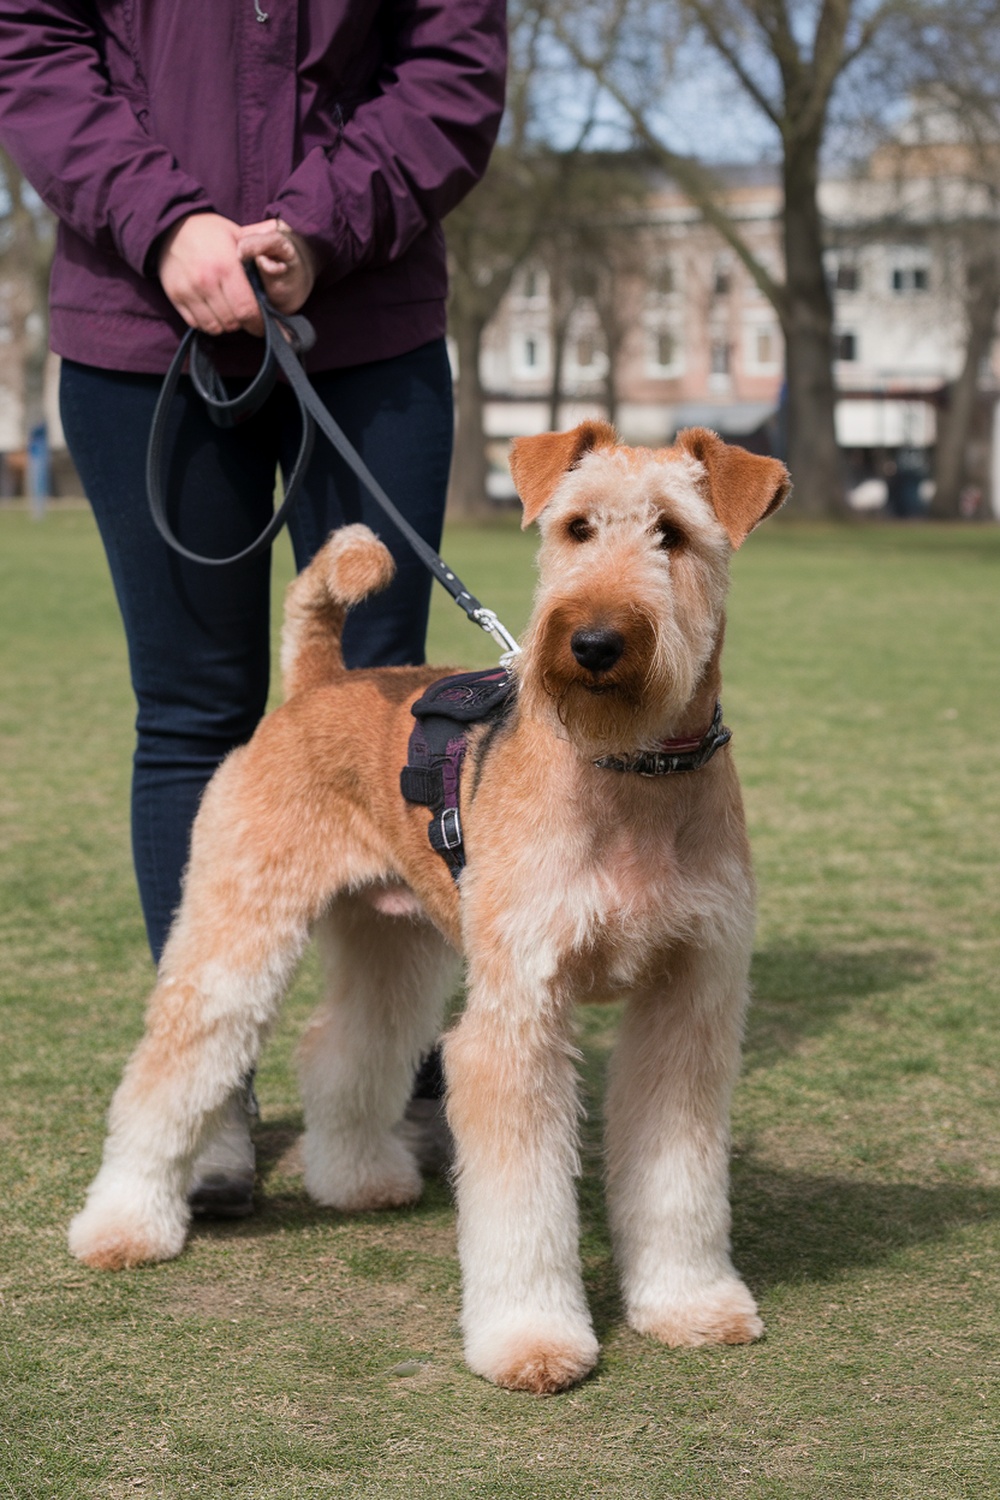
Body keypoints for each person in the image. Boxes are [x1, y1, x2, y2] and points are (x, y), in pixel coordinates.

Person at [0, 0, 506, 1214]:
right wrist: (166, 221)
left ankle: (391, 1071)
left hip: (365, 314)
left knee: (390, 702)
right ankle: (207, 1081)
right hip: (140, 319)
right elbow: (33, 43)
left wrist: (320, 228)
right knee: (189, 710)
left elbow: (452, 62)